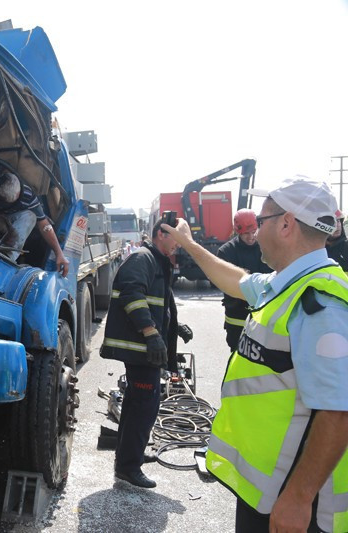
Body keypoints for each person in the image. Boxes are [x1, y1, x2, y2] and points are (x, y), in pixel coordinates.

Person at [161, 176, 348, 533]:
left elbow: (338, 412)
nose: (256, 231)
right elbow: (234, 279)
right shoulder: (286, 284)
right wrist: (188, 242)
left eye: (261, 222)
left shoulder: (321, 305)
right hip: (270, 491)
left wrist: (299, 497)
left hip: (294, 502)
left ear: (287, 224)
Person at [100, 219, 182, 489]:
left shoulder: (155, 260)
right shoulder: (143, 258)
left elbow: (154, 301)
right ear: (161, 233)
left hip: (146, 348)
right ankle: (128, 467)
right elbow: (132, 296)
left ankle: (129, 457)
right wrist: (151, 333)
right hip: (142, 349)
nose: (179, 244)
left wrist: (172, 326)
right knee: (144, 407)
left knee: (138, 404)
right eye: (176, 238)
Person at [0, 171, 70, 276]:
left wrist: (59, 253)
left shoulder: (28, 195)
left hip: (10, 222)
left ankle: (6, 258)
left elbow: (45, 226)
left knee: (30, 216)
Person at [215, 209, 273, 351]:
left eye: (254, 231)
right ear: (238, 232)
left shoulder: (268, 247)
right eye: (246, 233)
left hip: (265, 315)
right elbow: (225, 284)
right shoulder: (226, 252)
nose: (251, 237)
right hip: (237, 318)